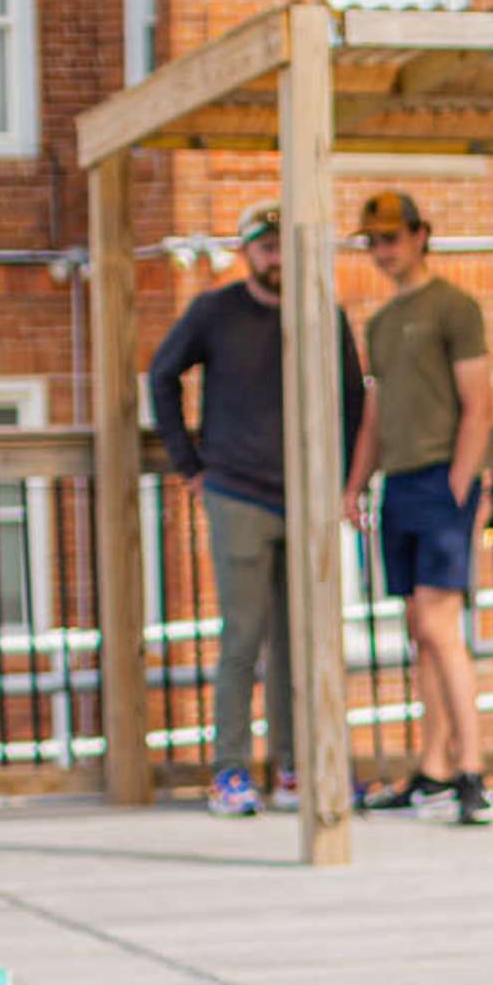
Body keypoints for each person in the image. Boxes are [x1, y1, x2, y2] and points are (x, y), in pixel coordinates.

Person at [149, 203, 367, 818]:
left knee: (303, 641)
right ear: (246, 252)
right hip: (237, 493)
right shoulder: (214, 311)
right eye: (265, 247)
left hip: (309, 499)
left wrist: (344, 483)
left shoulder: (323, 314)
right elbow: (162, 376)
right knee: (242, 635)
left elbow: (353, 401)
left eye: (283, 246)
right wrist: (188, 463)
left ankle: (296, 767)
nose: (275, 258)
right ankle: (230, 769)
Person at [344, 191, 493, 824]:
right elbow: (375, 414)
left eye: (391, 237)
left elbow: (479, 405)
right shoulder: (379, 323)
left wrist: (459, 485)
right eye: (373, 241)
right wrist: (355, 485)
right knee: (419, 632)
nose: (382, 250)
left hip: (441, 482)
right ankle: (433, 770)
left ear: (420, 235)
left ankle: (473, 774)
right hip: (399, 485)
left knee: (440, 626)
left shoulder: (454, 306)